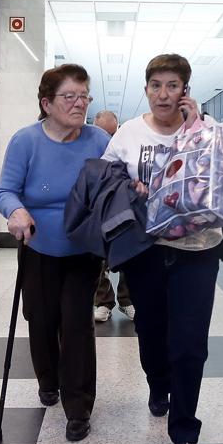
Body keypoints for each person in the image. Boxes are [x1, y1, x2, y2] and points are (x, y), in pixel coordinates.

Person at [101, 53, 223, 444]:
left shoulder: (208, 130)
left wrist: (198, 128)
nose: (163, 95)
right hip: (146, 251)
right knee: (151, 333)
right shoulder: (128, 133)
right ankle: (157, 382)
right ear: (146, 90)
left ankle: (184, 429)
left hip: (198, 251)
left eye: (172, 86)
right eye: (156, 86)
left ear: (185, 91)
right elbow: (108, 181)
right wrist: (131, 191)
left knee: (190, 341)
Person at [0, 64, 110, 443]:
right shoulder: (26, 141)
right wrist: (16, 211)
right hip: (38, 245)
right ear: (46, 103)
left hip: (82, 249)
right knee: (41, 319)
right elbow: (5, 191)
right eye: (70, 96)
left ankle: (78, 408)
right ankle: (48, 381)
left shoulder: (97, 141)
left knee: (76, 323)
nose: (80, 104)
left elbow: (115, 183)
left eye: (85, 96)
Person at [91, 110, 134, 324]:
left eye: (112, 132)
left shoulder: (125, 143)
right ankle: (103, 302)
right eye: (104, 132)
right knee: (99, 258)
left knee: (128, 254)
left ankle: (127, 301)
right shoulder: (89, 143)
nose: (108, 138)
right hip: (97, 209)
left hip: (122, 207)